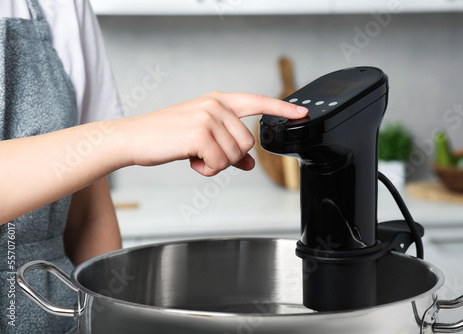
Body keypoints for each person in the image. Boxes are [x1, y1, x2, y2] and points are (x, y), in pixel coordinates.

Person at [0, 0, 308, 333]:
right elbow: (108, 144)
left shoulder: (63, 5)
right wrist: (125, 136)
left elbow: (89, 216)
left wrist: (108, 320)